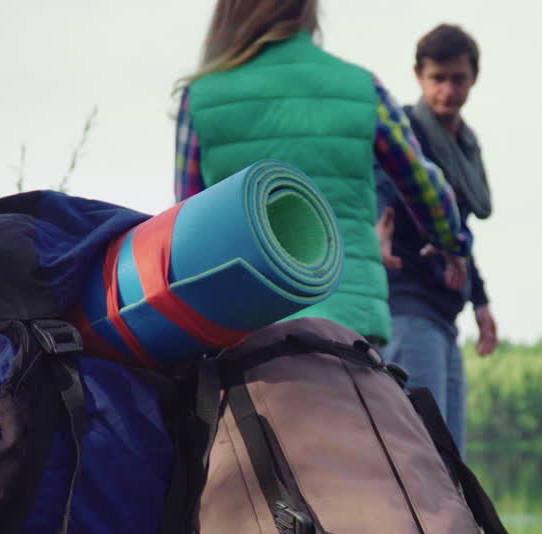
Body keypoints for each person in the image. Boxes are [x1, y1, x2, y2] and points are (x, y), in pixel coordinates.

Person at [173, 0, 470, 346]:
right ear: (307, 10)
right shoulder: (361, 87)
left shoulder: (201, 97)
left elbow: (186, 223)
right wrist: (450, 241)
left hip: (244, 325)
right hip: (351, 324)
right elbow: (425, 185)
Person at [376, 24, 498, 456]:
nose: (448, 89)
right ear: (418, 76)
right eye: (438, 78)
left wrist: (480, 302)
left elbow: (460, 230)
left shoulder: (465, 146)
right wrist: (381, 232)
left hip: (445, 313)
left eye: (458, 78)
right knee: (420, 455)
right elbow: (382, 190)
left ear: (473, 78)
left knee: (451, 460)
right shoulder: (405, 132)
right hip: (407, 304)